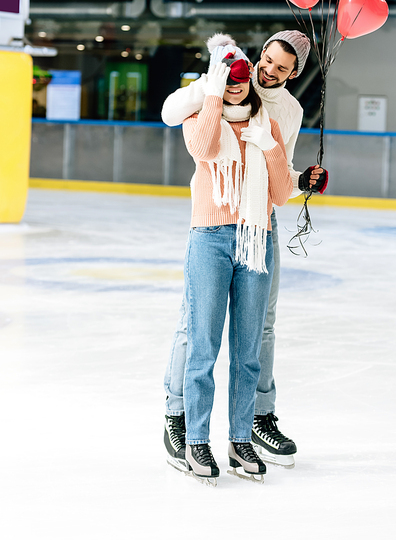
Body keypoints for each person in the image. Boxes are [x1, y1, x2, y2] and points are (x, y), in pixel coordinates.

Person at [162, 31, 328, 471]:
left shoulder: (286, 112)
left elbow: (280, 180)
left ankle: (254, 420)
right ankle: (179, 416)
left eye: (280, 67)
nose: (267, 70)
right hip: (214, 224)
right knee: (196, 326)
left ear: (294, 74)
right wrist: (212, 85)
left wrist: (302, 180)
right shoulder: (232, 78)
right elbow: (195, 134)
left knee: (259, 330)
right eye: (266, 59)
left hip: (258, 225)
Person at [174, 36, 293, 485]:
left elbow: (280, 193)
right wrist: (211, 94)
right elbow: (204, 149)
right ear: (220, 78)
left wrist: (269, 146)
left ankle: (241, 438)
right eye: (231, 75)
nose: (239, 83)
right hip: (209, 238)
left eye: (244, 74)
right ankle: (197, 438)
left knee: (247, 352)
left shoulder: (268, 127)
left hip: (255, 238)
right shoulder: (199, 116)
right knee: (203, 345)